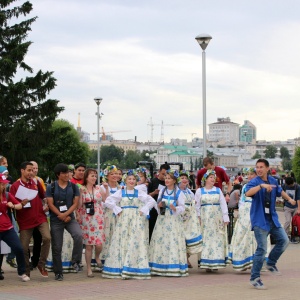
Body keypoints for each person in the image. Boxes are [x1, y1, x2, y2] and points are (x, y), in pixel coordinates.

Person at [245, 159, 296, 290]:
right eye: (257, 167)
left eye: (261, 167)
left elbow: (280, 191)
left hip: (272, 218)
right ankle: (254, 278)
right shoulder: (255, 182)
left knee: (284, 241)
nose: (259, 169)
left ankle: (271, 262)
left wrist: (289, 199)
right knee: (261, 249)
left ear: (268, 168)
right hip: (260, 220)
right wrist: (261, 186)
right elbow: (247, 193)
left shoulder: (273, 181)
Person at [102, 170, 156, 279]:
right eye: (129, 179)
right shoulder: (121, 192)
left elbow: (151, 201)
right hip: (124, 219)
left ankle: (133, 266)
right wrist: (116, 208)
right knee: (122, 240)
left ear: (136, 181)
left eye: (134, 179)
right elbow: (108, 201)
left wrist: (144, 209)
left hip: (136, 220)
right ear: (125, 180)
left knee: (134, 241)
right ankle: (121, 266)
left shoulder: (139, 192)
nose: (131, 181)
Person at [10, 161, 51, 278]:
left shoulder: (36, 182)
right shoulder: (15, 186)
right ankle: (26, 270)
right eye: (28, 170)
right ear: (22, 171)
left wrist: (45, 204)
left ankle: (41, 264)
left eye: (32, 170)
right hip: (25, 221)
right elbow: (12, 203)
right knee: (23, 247)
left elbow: (43, 196)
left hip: (40, 217)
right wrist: (20, 204)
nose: (31, 173)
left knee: (47, 238)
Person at [46, 163, 82, 281]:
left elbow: (75, 203)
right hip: (56, 219)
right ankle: (58, 272)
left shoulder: (73, 186)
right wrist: (60, 215)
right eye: (64, 173)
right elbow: (50, 204)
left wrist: (66, 214)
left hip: (69, 218)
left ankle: (75, 261)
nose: (67, 175)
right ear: (58, 175)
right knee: (57, 246)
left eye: (68, 172)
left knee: (78, 235)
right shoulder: (51, 187)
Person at [149, 169, 188, 277]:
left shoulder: (179, 192)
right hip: (162, 220)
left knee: (172, 241)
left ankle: (173, 265)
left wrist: (175, 208)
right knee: (161, 241)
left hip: (173, 221)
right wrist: (159, 206)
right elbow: (157, 205)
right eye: (166, 178)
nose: (166, 180)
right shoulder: (162, 191)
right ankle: (159, 265)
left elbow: (183, 208)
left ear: (174, 180)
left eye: (169, 178)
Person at [195, 170, 229, 272]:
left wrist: (225, 217)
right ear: (205, 179)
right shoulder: (199, 191)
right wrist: (198, 217)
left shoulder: (218, 190)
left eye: (214, 178)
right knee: (206, 239)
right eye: (211, 177)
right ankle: (206, 262)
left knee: (217, 238)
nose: (213, 179)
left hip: (216, 219)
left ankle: (216, 261)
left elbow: (223, 204)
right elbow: (197, 206)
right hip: (205, 220)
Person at [0, 175, 30, 282]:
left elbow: (19, 206)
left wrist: (12, 206)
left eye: (4, 184)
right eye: (2, 184)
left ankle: (22, 272)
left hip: (7, 228)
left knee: (19, 248)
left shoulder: (7, 195)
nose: (4, 186)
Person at [78, 168, 106, 277]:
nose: (94, 178)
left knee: (99, 244)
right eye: (92, 176)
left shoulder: (99, 188)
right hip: (87, 219)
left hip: (98, 218)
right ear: (86, 177)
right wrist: (80, 194)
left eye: (95, 176)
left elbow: (105, 200)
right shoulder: (82, 189)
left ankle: (97, 257)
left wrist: (106, 189)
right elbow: (79, 205)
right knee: (89, 245)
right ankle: (89, 268)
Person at [178, 170, 202, 268]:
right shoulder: (176, 191)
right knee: (181, 238)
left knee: (190, 238)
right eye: (182, 178)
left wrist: (197, 215)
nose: (184, 180)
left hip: (189, 219)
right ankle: (184, 259)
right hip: (180, 217)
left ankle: (186, 256)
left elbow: (195, 204)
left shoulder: (190, 192)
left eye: (186, 178)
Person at [99, 165, 120, 265]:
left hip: (118, 215)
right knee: (106, 236)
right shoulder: (102, 187)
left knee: (117, 235)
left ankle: (115, 259)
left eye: (116, 173)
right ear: (107, 176)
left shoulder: (121, 187)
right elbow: (105, 201)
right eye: (112, 174)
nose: (114, 176)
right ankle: (103, 259)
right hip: (107, 215)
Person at [30, 161, 47, 270]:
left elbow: (43, 195)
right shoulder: (19, 182)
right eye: (32, 168)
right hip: (26, 216)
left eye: (36, 168)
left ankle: (35, 261)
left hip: (38, 214)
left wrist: (45, 205)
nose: (35, 170)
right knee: (25, 240)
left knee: (38, 238)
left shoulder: (39, 180)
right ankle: (26, 261)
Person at [147, 163, 170, 241]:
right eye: (163, 174)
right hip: (153, 209)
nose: (164, 177)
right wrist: (154, 193)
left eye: (166, 175)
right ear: (159, 171)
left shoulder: (169, 183)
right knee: (152, 228)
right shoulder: (153, 182)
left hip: (164, 208)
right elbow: (146, 196)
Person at [282, 177, 300, 243]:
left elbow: (298, 198)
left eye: (291, 185)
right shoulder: (284, 186)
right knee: (288, 221)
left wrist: (299, 208)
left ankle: (294, 236)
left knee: (294, 223)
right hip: (287, 207)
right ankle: (285, 236)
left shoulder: (297, 187)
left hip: (295, 207)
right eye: (289, 185)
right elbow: (282, 194)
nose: (290, 186)